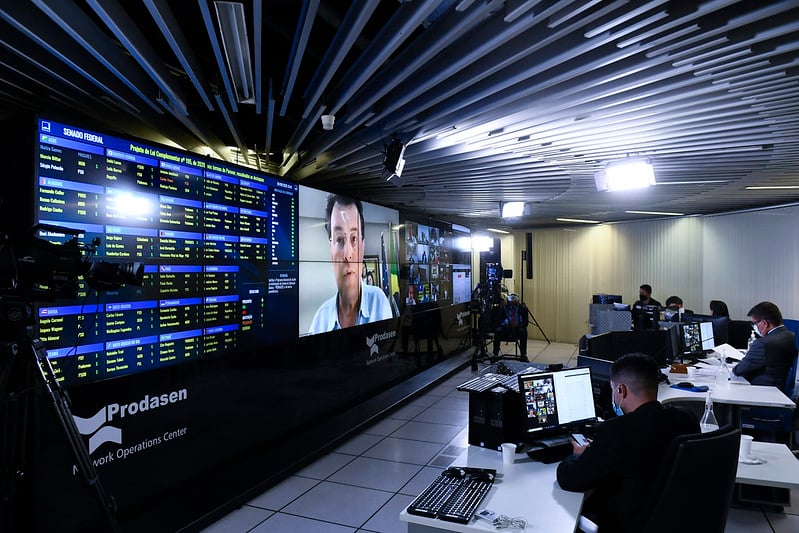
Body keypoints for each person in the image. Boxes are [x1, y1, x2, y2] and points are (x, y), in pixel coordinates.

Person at [556, 353, 700, 533]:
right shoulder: (687, 418)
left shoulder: (615, 431)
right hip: (674, 521)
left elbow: (570, 480)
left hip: (624, 525)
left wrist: (576, 456)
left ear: (620, 390)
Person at [308, 194, 393, 334]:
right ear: (330, 248)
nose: (348, 255)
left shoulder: (379, 302)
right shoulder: (320, 320)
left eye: (354, 238)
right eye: (339, 239)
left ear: (363, 245)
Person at [732, 301, 797, 387]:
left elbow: (739, 370)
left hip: (762, 390)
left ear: (764, 323)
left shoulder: (762, 344)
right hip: (782, 391)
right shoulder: (794, 337)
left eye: (754, 323)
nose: (754, 327)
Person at [492, 293, 529, 361]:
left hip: (517, 327)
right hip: (506, 326)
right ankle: (495, 354)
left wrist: (517, 325)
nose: (512, 303)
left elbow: (525, 323)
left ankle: (523, 355)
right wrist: (504, 324)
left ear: (517, 301)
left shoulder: (522, 308)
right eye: (511, 302)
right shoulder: (505, 307)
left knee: (523, 332)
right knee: (497, 331)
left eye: (514, 302)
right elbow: (499, 319)